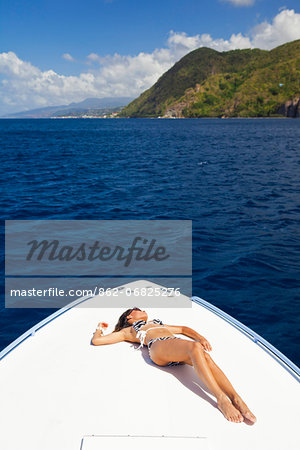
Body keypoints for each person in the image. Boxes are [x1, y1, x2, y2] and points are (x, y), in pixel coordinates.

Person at [92, 307, 256, 424]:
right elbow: (97, 341)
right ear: (129, 318)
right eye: (137, 309)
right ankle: (222, 399)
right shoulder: (129, 331)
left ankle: (236, 398)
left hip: (175, 348)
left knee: (205, 356)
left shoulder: (157, 323)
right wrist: (99, 328)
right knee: (194, 347)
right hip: (159, 349)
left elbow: (183, 329)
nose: (142, 310)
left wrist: (201, 337)